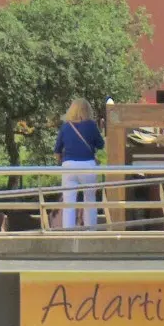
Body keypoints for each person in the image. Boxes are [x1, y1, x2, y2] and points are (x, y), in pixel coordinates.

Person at [55, 98, 104, 229]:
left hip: (69, 166)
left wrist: (60, 160)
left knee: (69, 203)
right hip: (88, 165)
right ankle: (90, 231)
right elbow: (101, 144)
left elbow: (57, 149)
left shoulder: (65, 127)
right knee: (90, 200)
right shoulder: (91, 125)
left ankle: (68, 233)